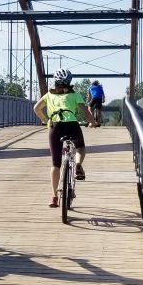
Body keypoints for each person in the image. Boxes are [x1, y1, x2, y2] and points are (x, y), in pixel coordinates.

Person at [33, 69, 95, 208]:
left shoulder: (49, 95)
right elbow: (85, 112)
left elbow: (36, 108)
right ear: (69, 81)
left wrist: (45, 120)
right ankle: (78, 165)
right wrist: (93, 122)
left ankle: (54, 197)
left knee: (55, 164)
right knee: (80, 147)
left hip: (55, 127)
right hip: (72, 125)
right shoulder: (74, 95)